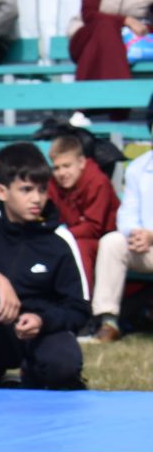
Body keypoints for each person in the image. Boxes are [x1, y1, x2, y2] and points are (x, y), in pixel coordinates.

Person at [0, 143, 88, 389]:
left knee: (63, 366)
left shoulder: (60, 239)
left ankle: (32, 376)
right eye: (26, 190)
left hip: (37, 333)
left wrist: (42, 320)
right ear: (2, 191)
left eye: (42, 190)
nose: (36, 199)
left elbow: (79, 310)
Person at [82, 111, 153, 345]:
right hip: (145, 247)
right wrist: (135, 234)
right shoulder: (138, 168)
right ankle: (109, 322)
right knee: (112, 242)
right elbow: (127, 214)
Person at [46, 132, 118, 292]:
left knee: (79, 248)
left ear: (81, 162)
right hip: (69, 235)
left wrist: (62, 235)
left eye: (67, 166)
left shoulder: (98, 181)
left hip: (102, 241)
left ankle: (82, 304)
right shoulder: (52, 183)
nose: (61, 173)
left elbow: (94, 227)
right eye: (56, 167)